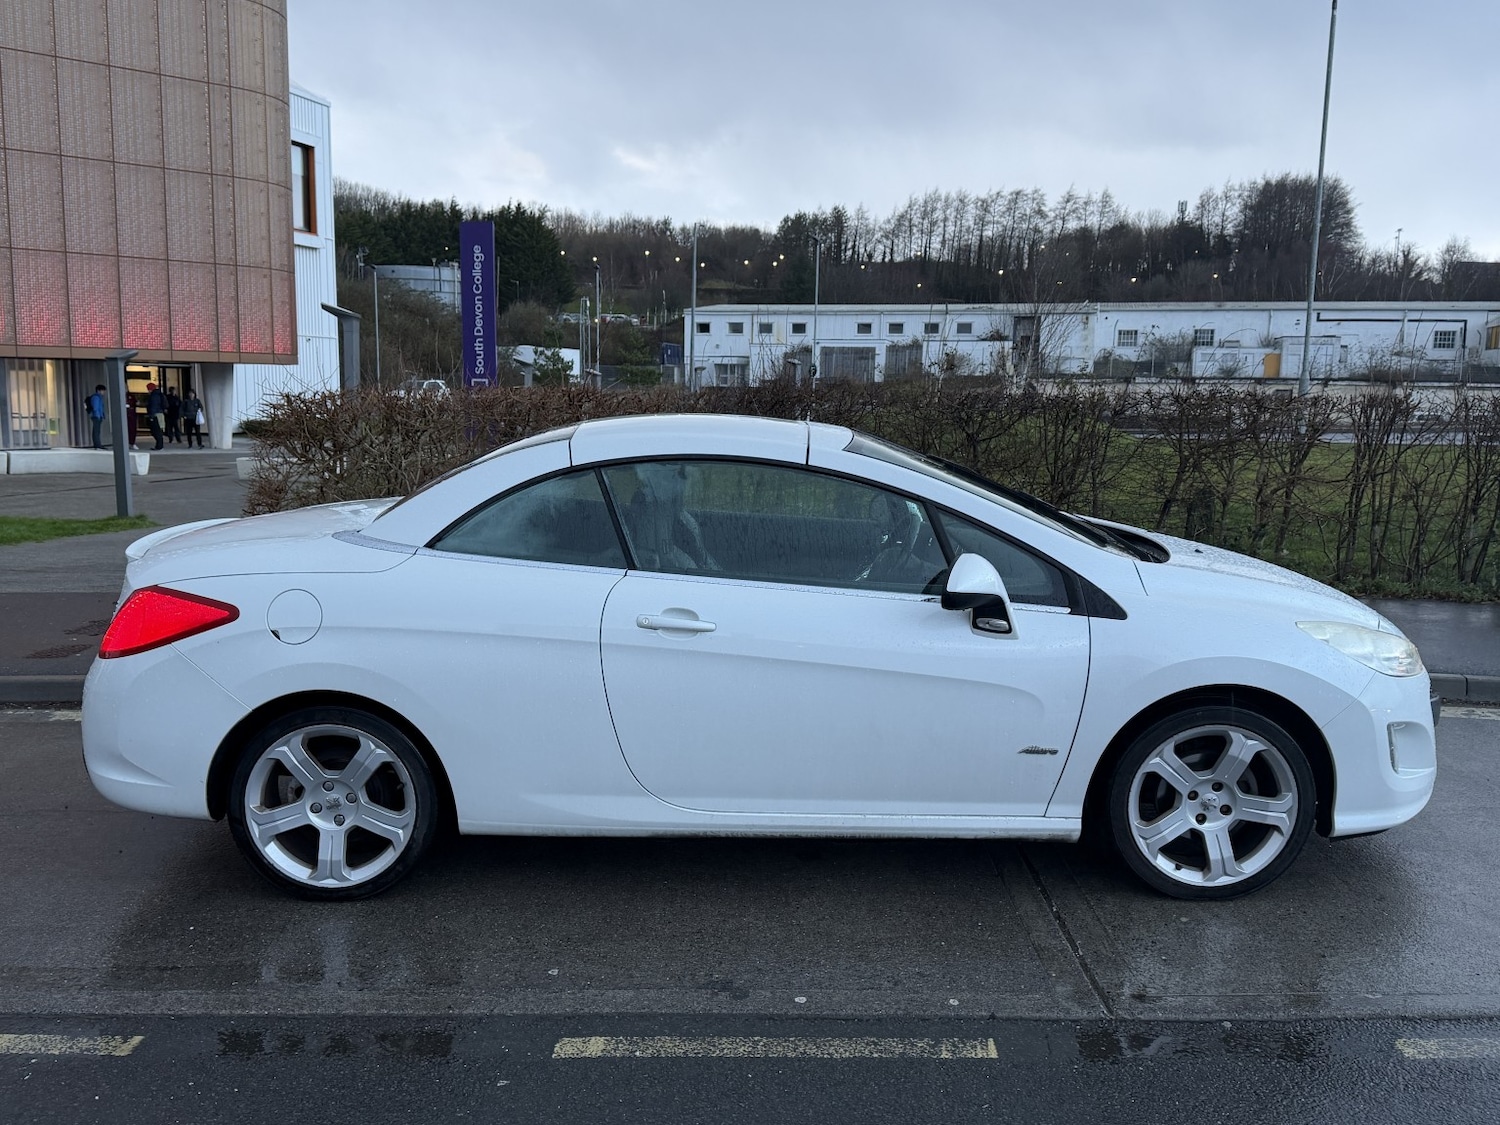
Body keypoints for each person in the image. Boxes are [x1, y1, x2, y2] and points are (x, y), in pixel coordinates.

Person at [144, 381, 165, 450]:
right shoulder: (158, 394)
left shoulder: (153, 396)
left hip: (155, 415)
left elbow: (153, 406)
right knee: (159, 431)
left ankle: (159, 446)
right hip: (160, 414)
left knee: (156, 431)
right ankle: (159, 445)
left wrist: (151, 416)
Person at [86, 384, 106, 449]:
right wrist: (98, 415)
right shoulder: (96, 397)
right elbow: (96, 408)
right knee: (96, 431)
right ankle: (97, 445)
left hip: (98, 416)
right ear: (98, 391)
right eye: (102, 390)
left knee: (97, 431)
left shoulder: (99, 397)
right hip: (96, 416)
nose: (103, 392)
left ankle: (97, 444)